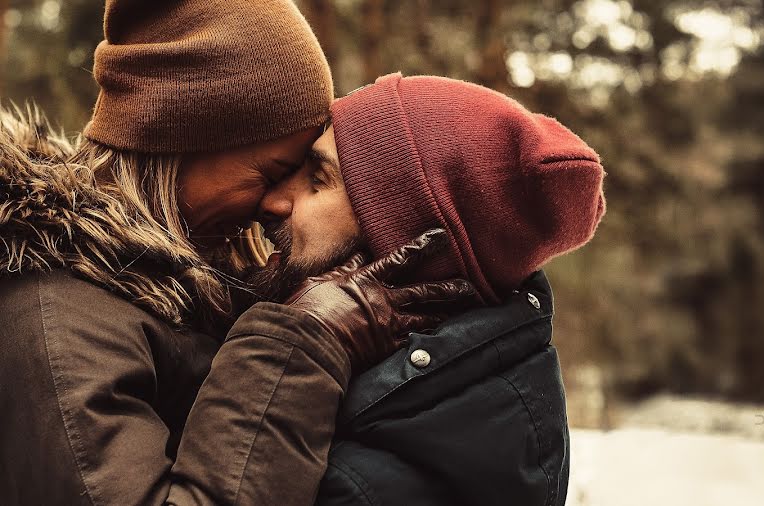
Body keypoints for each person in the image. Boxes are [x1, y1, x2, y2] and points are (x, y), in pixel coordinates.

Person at [0, 2, 470, 505]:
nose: (274, 205)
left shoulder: (179, 293)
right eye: (271, 173)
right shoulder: (53, 321)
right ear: (181, 133)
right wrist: (305, 343)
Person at [248, 73, 607, 506]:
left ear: (406, 248)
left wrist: (292, 343)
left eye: (317, 180)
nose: (272, 201)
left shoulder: (366, 485)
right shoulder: (478, 397)